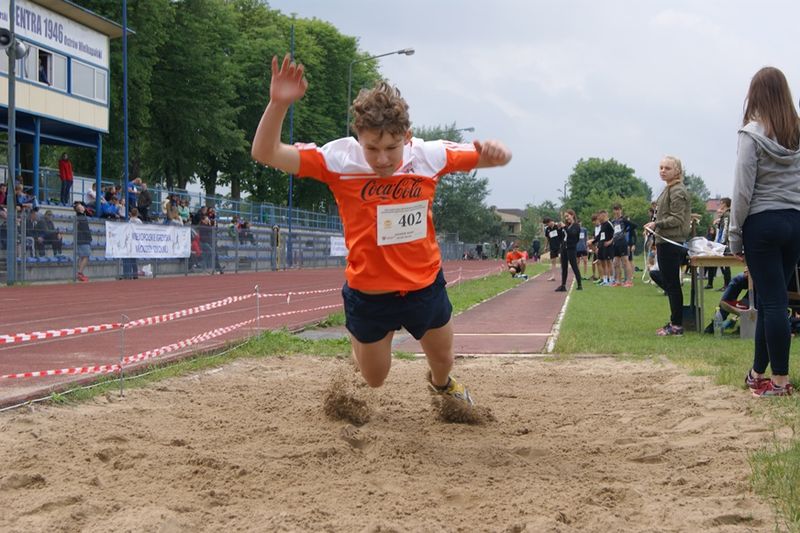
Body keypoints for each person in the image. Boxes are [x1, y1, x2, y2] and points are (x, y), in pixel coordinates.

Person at [251, 54, 511, 408]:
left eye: (391, 148)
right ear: (357, 136)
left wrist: (497, 154)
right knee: (374, 379)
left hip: (423, 286)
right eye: (371, 148)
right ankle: (357, 338)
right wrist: (278, 103)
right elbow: (265, 152)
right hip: (370, 292)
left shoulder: (428, 156)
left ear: (408, 136)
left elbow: (487, 156)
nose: (383, 159)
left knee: (444, 359)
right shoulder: (338, 160)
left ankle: (442, 386)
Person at [729, 66, 800, 397]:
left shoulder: (751, 134)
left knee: (771, 302)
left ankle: (780, 382)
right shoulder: (796, 133)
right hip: (794, 221)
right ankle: (758, 373)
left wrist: (734, 234)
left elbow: (742, 190)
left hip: (763, 222)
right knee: (772, 300)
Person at [644, 156, 692, 336]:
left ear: (677, 171)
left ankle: (677, 325)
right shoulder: (668, 189)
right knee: (665, 280)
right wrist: (653, 226)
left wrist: (657, 224)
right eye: (661, 167)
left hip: (671, 242)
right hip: (663, 241)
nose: (663, 170)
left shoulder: (678, 191)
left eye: (667, 168)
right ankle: (675, 320)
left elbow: (677, 218)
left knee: (672, 285)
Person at [705, 197, 731, 290]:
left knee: (725, 264)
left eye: (721, 203)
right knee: (722, 264)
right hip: (721, 243)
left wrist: (722, 243)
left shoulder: (727, 215)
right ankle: (721, 284)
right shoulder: (725, 216)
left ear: (725, 204)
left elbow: (725, 230)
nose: (720, 204)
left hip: (723, 244)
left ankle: (727, 284)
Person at [556, 209, 582, 292]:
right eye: (565, 217)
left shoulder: (576, 226)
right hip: (564, 248)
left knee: (574, 266)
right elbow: (561, 237)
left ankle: (579, 285)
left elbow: (572, 234)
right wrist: (559, 229)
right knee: (564, 267)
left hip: (571, 248)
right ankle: (563, 285)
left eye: (568, 216)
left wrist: (564, 227)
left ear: (572, 215)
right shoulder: (567, 226)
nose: (566, 218)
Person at [122, 207, 142, 279]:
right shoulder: (139, 221)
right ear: (137, 213)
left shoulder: (129, 221)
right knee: (134, 259)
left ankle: (130, 274)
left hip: (130, 241)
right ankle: (135, 274)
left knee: (130, 258)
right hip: (135, 241)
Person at [73, 202, 92, 282]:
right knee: (86, 256)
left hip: (82, 238)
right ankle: (79, 272)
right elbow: (84, 229)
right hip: (83, 239)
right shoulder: (80, 217)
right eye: (81, 206)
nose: (83, 207)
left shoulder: (80, 217)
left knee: (82, 256)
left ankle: (80, 272)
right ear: (79, 209)